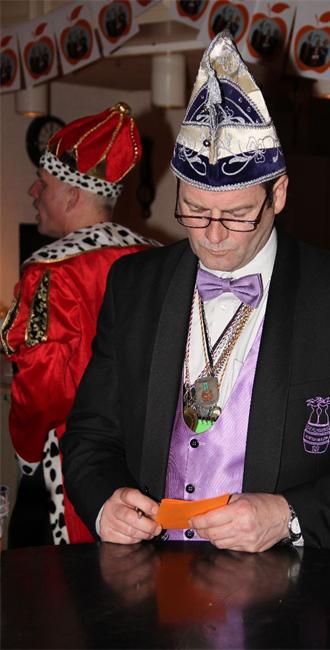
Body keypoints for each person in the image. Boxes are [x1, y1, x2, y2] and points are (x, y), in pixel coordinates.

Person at [62, 33, 330, 552]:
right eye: (194, 210)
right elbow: (91, 433)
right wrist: (104, 502)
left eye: (237, 215)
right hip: (149, 579)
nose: (213, 235)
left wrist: (289, 516)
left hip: (290, 588)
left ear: (277, 194)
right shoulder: (134, 284)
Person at [1, 102, 159, 546]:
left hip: (74, 469)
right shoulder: (156, 260)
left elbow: (43, 387)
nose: (33, 191)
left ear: (72, 195)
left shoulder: (51, 271)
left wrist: (26, 453)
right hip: (151, 462)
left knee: (61, 584)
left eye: (43, 182)